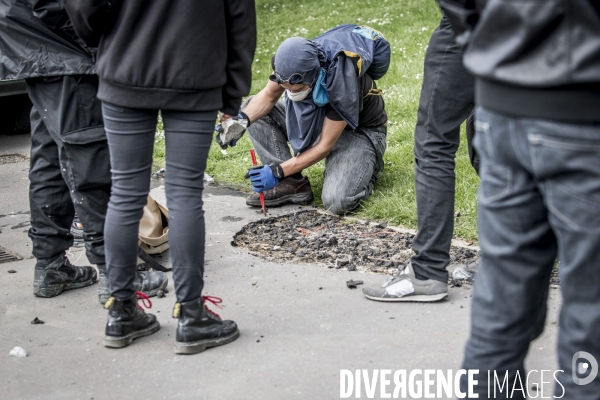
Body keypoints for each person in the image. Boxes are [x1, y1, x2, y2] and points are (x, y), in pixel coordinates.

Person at [66, 0, 256, 352]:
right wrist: (233, 91)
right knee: (184, 194)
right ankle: (191, 315)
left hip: (125, 66)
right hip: (195, 70)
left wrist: (104, 41)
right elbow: (240, 17)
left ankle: (121, 311)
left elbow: (84, 8)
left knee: (125, 192)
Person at [439, 0, 600, 397]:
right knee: (591, 330)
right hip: (583, 105)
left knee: (500, 317)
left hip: (502, 105)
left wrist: (488, 42)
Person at [0, 0, 167, 304]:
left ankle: (50, 265)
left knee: (50, 156)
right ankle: (117, 274)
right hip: (63, 45)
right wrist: (99, 40)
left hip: (34, 41)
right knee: (89, 155)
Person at [218, 24, 390, 215]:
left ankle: (368, 165)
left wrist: (277, 171)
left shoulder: (341, 80)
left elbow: (325, 145)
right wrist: (239, 121)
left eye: (297, 89)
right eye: (286, 87)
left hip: (357, 131)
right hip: (322, 120)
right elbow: (267, 96)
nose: (290, 92)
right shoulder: (289, 65)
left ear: (314, 76)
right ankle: (290, 184)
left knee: (337, 201)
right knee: (252, 107)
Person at [362, 14, 476, 302]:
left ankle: (426, 272)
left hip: (473, 17)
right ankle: (506, 257)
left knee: (433, 141)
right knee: (493, 130)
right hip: (533, 16)